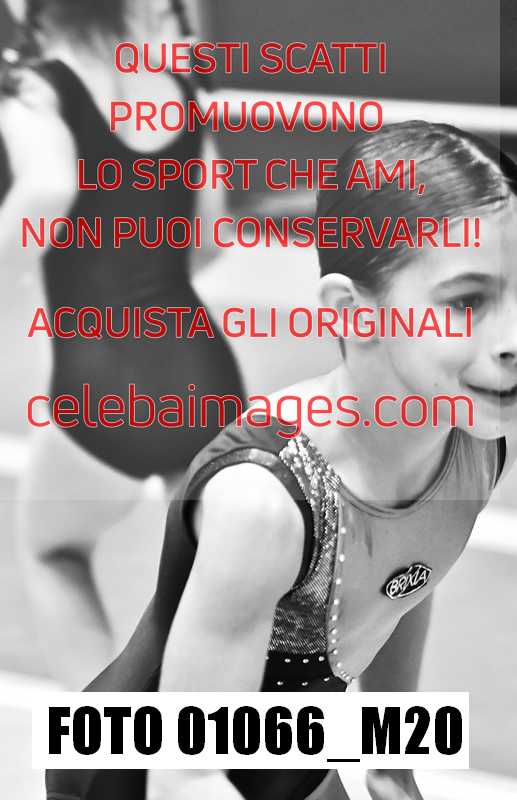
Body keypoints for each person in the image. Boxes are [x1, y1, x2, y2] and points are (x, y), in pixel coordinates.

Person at [46, 121, 517, 800]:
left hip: (287, 750)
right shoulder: (265, 503)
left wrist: (388, 769)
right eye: (467, 302)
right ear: (353, 313)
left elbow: (404, 581)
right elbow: (188, 775)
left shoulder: (472, 442)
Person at [0, 0, 244, 688]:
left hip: (104, 382)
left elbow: (47, 187)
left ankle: (104, 742)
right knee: (202, 575)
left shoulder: (37, 84)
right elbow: (211, 238)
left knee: (53, 552)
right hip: (203, 370)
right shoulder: (178, 87)